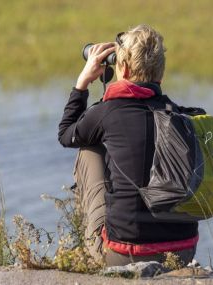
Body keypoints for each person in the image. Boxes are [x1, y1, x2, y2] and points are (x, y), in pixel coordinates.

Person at [58, 24, 198, 267]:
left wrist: (82, 83)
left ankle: (87, 251)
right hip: (183, 252)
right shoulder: (182, 118)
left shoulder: (108, 112)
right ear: (160, 74)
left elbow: (66, 134)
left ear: (122, 67)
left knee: (89, 150)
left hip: (123, 254)